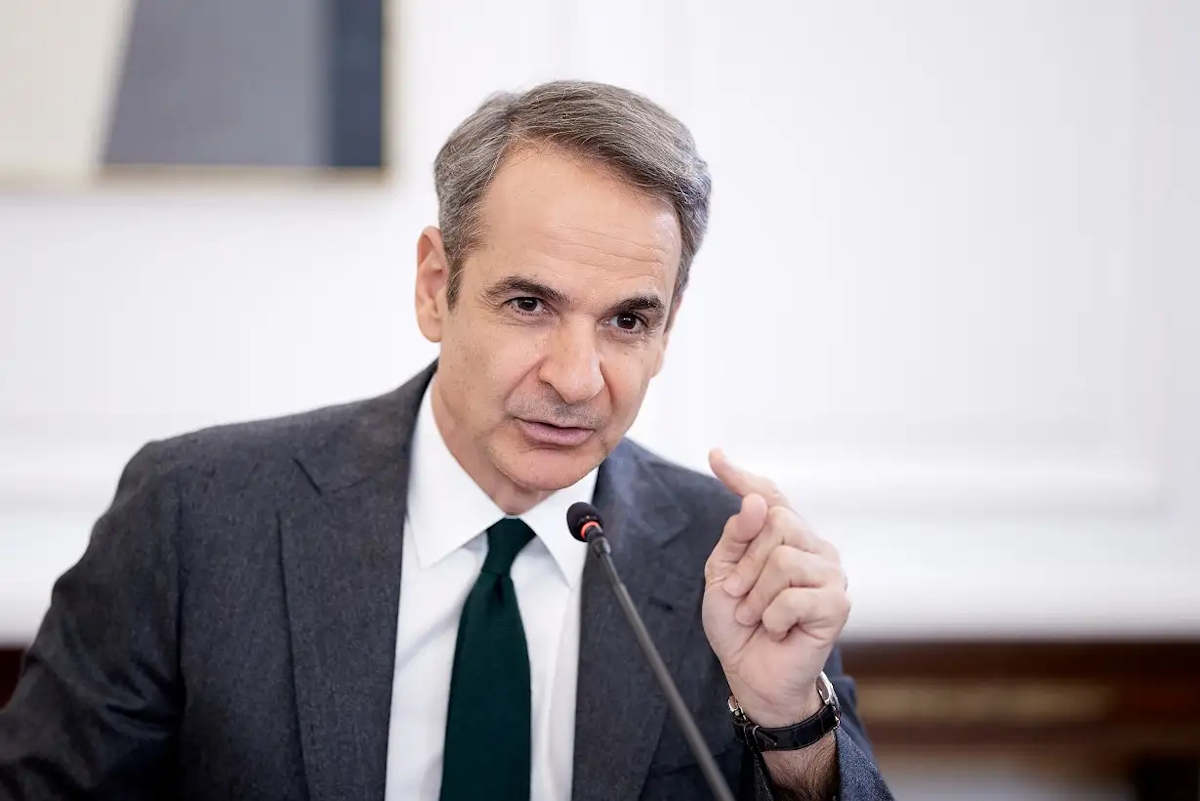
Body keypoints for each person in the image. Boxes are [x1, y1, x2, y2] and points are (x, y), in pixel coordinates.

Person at [0, 81, 893, 801]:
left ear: (668, 329)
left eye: (627, 319)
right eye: (529, 304)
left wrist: (789, 726)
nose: (577, 378)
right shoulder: (195, 516)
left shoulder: (728, 558)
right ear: (436, 286)